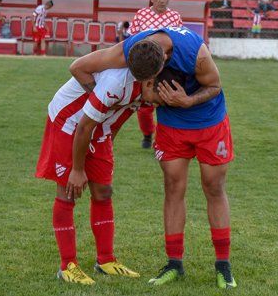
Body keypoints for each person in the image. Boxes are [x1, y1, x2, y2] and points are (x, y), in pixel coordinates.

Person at [68, 26, 238, 290]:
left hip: (208, 121)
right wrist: (102, 103)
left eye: (149, 80)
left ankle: (223, 265)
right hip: (171, 124)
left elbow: (215, 85)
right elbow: (79, 66)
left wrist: (189, 101)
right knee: (173, 187)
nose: (144, 86)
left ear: (164, 62)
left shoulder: (196, 54)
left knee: (213, 187)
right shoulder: (129, 50)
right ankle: (174, 263)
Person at [36, 43, 168, 285]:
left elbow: (117, 116)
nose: (158, 104)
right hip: (69, 121)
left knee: (104, 190)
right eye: (159, 100)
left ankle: (105, 260)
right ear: (149, 81)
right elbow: (84, 125)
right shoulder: (115, 83)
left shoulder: (151, 81)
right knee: (69, 191)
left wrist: (106, 146)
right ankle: (67, 266)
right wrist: (77, 170)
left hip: (99, 126)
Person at [128, 0, 184, 149]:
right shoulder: (141, 14)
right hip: (146, 65)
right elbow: (132, 38)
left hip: (168, 66)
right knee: (145, 104)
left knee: (166, 103)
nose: (161, 0)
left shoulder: (175, 16)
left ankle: (161, 140)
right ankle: (147, 134)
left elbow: (180, 41)